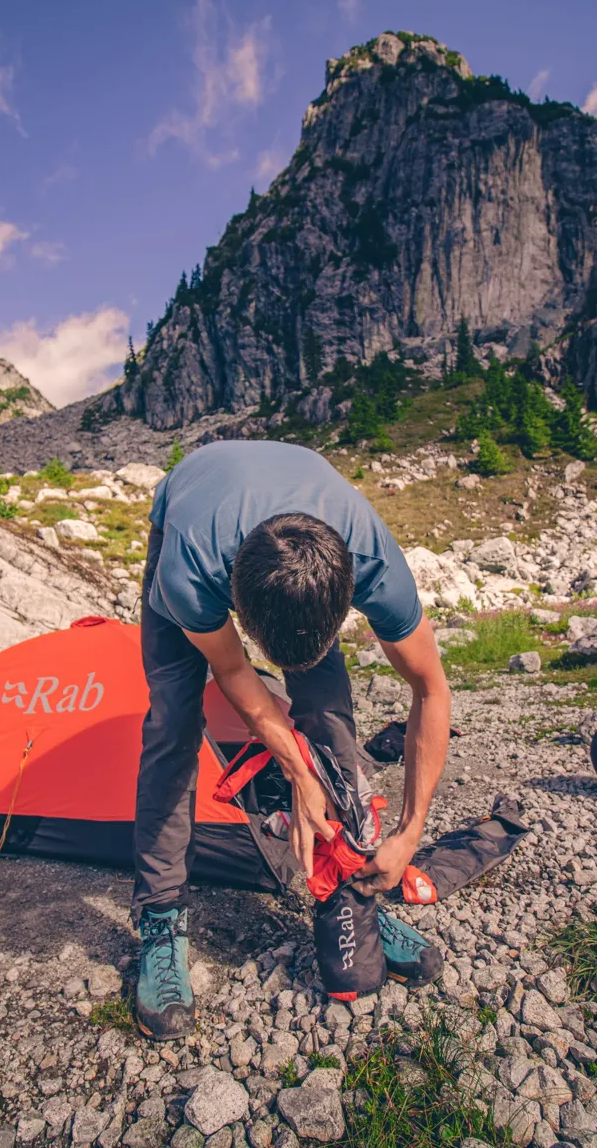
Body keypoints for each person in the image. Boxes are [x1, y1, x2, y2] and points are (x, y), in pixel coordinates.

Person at [134, 440, 451, 1040]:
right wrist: (300, 774)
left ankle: (347, 894)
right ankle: (159, 917)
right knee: (173, 721)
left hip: (304, 515)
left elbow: (431, 689)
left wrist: (410, 832)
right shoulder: (191, 571)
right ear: (237, 605)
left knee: (327, 711)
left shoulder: (372, 557)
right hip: (191, 504)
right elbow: (231, 672)